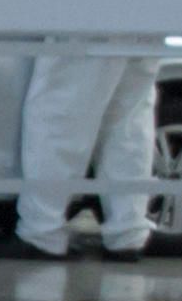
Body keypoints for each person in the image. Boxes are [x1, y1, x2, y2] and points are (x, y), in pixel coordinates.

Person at [15, 48, 162, 258]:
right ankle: (128, 233)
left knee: (61, 114)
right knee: (129, 123)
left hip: (91, 24)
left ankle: (42, 232)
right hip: (146, 23)